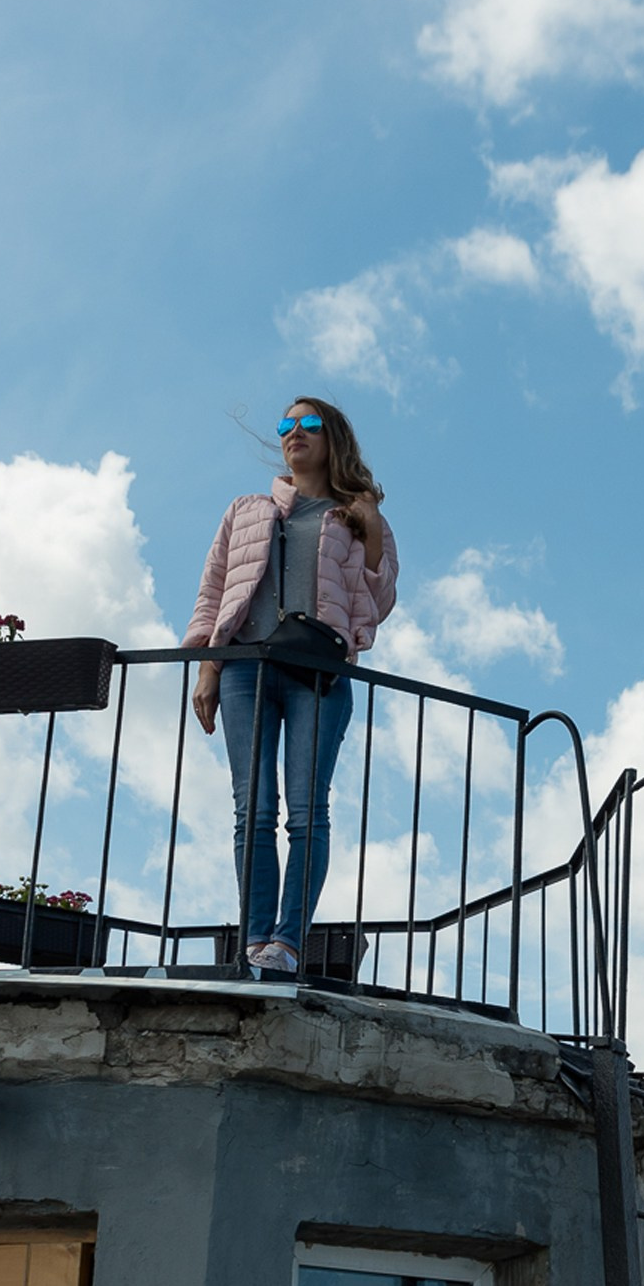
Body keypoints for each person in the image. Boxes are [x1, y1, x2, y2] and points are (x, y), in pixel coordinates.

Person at [185, 400, 398, 977]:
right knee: (251, 808)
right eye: (285, 426)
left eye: (308, 425)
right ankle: (255, 939)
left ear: (334, 438)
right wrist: (208, 669)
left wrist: (371, 523)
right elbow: (213, 593)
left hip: (318, 672)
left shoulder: (354, 519)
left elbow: (377, 603)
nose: (293, 434)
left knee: (307, 813)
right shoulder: (247, 510)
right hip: (244, 667)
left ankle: (288, 942)